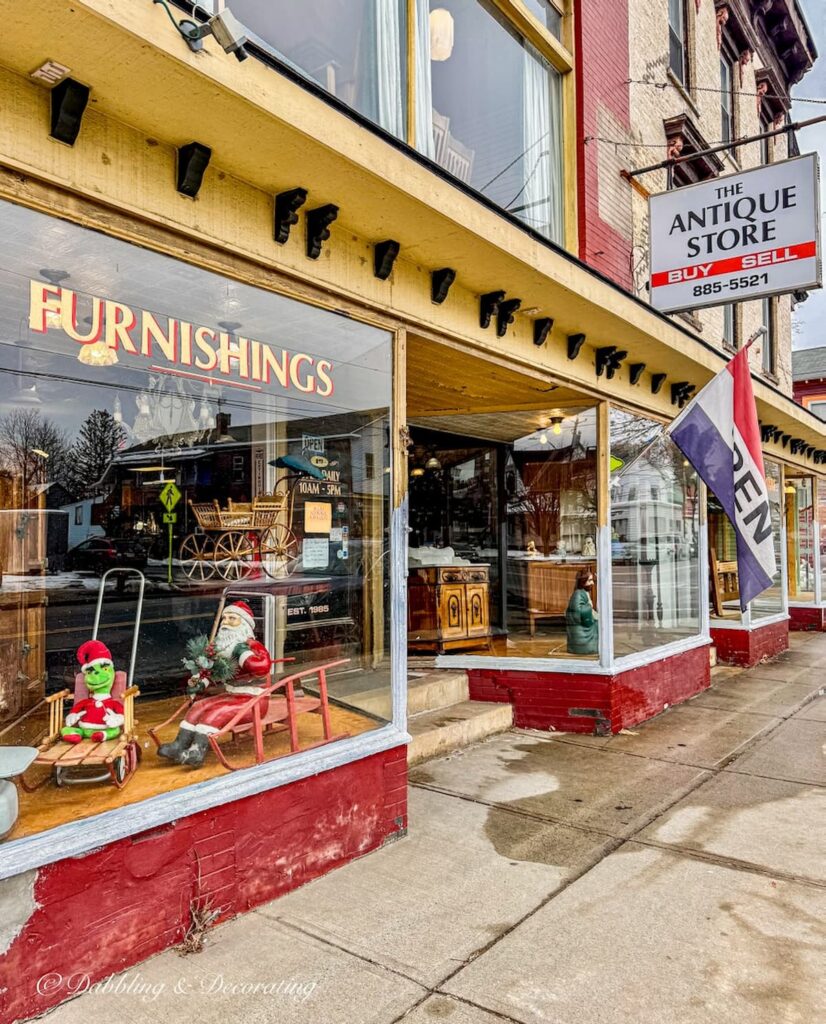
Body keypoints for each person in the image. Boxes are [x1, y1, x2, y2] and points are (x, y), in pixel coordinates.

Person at [158, 601, 272, 767]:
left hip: (253, 699)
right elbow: (213, 672)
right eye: (224, 619)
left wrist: (242, 652)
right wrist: (201, 684)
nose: (225, 623)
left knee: (214, 713)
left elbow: (261, 667)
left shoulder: (248, 647)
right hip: (233, 695)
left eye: (232, 619)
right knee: (199, 707)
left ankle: (197, 751)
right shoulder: (222, 648)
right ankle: (179, 745)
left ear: (244, 625)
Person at [565, 569, 598, 655]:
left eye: (592, 581)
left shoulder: (584, 593)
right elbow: (577, 612)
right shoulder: (578, 594)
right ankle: (587, 647)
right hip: (581, 629)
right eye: (590, 580)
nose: (592, 583)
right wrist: (589, 607)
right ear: (583, 582)